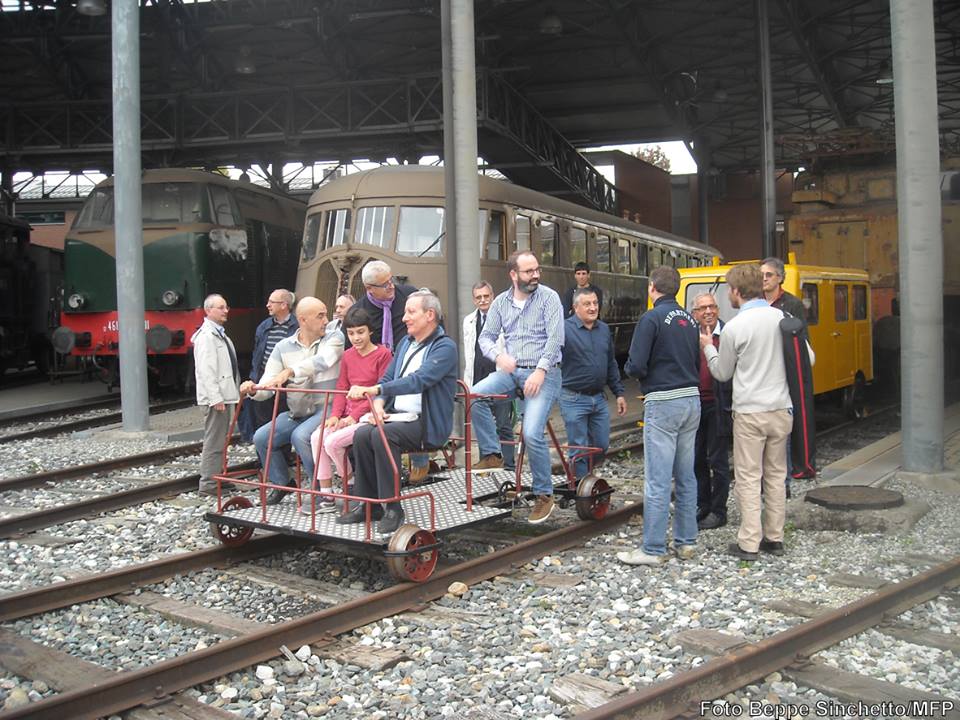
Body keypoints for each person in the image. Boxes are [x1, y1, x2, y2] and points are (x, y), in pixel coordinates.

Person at [700, 264, 809, 561]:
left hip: (750, 412)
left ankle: (749, 542)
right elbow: (807, 358)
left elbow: (722, 373)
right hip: (781, 409)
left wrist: (708, 348)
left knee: (749, 478)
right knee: (776, 475)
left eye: (729, 290)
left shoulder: (735, 327)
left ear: (736, 291)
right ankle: (774, 537)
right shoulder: (783, 319)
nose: (728, 296)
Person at [339, 289, 458, 535]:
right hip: (399, 417)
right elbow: (388, 378)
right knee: (362, 435)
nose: (404, 318)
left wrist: (376, 389)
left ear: (430, 315)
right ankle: (369, 504)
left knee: (382, 435)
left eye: (410, 312)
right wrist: (379, 403)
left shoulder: (445, 347)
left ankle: (393, 507)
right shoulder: (405, 343)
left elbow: (420, 380)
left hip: (427, 423)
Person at [472, 250, 564, 525]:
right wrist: (498, 357)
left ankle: (544, 495)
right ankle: (492, 454)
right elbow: (486, 338)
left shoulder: (549, 298)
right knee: (474, 396)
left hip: (545, 373)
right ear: (513, 274)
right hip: (511, 372)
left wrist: (540, 370)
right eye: (529, 271)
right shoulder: (501, 302)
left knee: (532, 432)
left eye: (537, 270)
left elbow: (555, 339)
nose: (535, 275)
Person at [617, 266, 700, 566]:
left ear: (652, 287)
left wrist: (632, 371)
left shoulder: (651, 318)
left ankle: (652, 548)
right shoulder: (689, 319)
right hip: (691, 400)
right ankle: (686, 542)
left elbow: (637, 364)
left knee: (658, 479)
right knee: (686, 476)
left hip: (663, 401)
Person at [239, 297, 344, 505]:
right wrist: (253, 389)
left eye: (326, 315)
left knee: (301, 436)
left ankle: (321, 490)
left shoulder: (335, 337)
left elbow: (323, 362)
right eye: (320, 316)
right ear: (303, 320)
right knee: (262, 437)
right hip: (298, 410)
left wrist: (290, 371)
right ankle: (283, 483)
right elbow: (269, 382)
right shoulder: (283, 347)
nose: (326, 321)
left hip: (327, 408)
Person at [306, 306, 392, 514]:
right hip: (347, 414)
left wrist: (353, 417)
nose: (356, 338)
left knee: (332, 442)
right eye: (351, 333)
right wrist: (336, 415)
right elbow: (342, 387)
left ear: (370, 331)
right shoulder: (347, 355)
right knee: (317, 438)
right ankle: (326, 494)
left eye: (361, 332)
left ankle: (352, 484)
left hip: (369, 414)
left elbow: (380, 391)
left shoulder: (383, 354)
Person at [560, 287, 626, 478]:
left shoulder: (603, 329)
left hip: (598, 398)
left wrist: (619, 393)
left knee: (601, 445)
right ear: (575, 307)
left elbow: (611, 363)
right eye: (587, 304)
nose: (593, 308)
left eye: (595, 303)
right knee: (579, 448)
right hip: (573, 398)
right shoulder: (564, 330)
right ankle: (582, 487)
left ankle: (584, 478)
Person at [761, 256, 814, 487]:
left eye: (768, 275)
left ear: (780, 278)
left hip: (786, 365)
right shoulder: (756, 303)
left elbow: (801, 337)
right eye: (761, 275)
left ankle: (793, 469)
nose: (764, 279)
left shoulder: (792, 304)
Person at [462, 281, 515, 474]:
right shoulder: (468, 321)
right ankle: (488, 460)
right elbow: (469, 351)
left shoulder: (505, 318)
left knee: (503, 424)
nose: (483, 300)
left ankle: (508, 466)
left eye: (486, 296)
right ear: (473, 299)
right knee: (481, 421)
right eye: (478, 297)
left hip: (499, 378)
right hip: (477, 377)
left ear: (493, 296)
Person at [690, 292, 732, 530]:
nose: (708, 312)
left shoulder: (728, 334)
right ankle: (702, 504)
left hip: (719, 403)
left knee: (718, 459)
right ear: (694, 313)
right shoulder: (689, 335)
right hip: (695, 404)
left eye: (712, 307)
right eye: (703, 308)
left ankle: (719, 510)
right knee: (697, 458)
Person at [192, 294, 240, 496]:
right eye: (221, 307)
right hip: (216, 399)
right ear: (208, 310)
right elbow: (206, 370)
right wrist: (215, 398)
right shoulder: (207, 337)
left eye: (226, 307)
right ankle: (209, 485)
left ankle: (217, 478)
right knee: (214, 441)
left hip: (224, 396)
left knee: (220, 440)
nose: (225, 311)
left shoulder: (218, 334)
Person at [238, 289, 298, 442]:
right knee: (262, 423)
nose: (268, 305)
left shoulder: (297, 327)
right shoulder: (263, 327)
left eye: (272, 302)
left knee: (282, 424)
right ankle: (263, 455)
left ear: (284, 305)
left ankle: (281, 455)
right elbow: (257, 354)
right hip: (264, 379)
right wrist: (255, 377)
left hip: (286, 383)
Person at [355, 260, 418, 351]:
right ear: (369, 288)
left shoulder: (411, 296)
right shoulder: (358, 312)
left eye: (391, 280)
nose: (391, 286)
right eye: (385, 285)